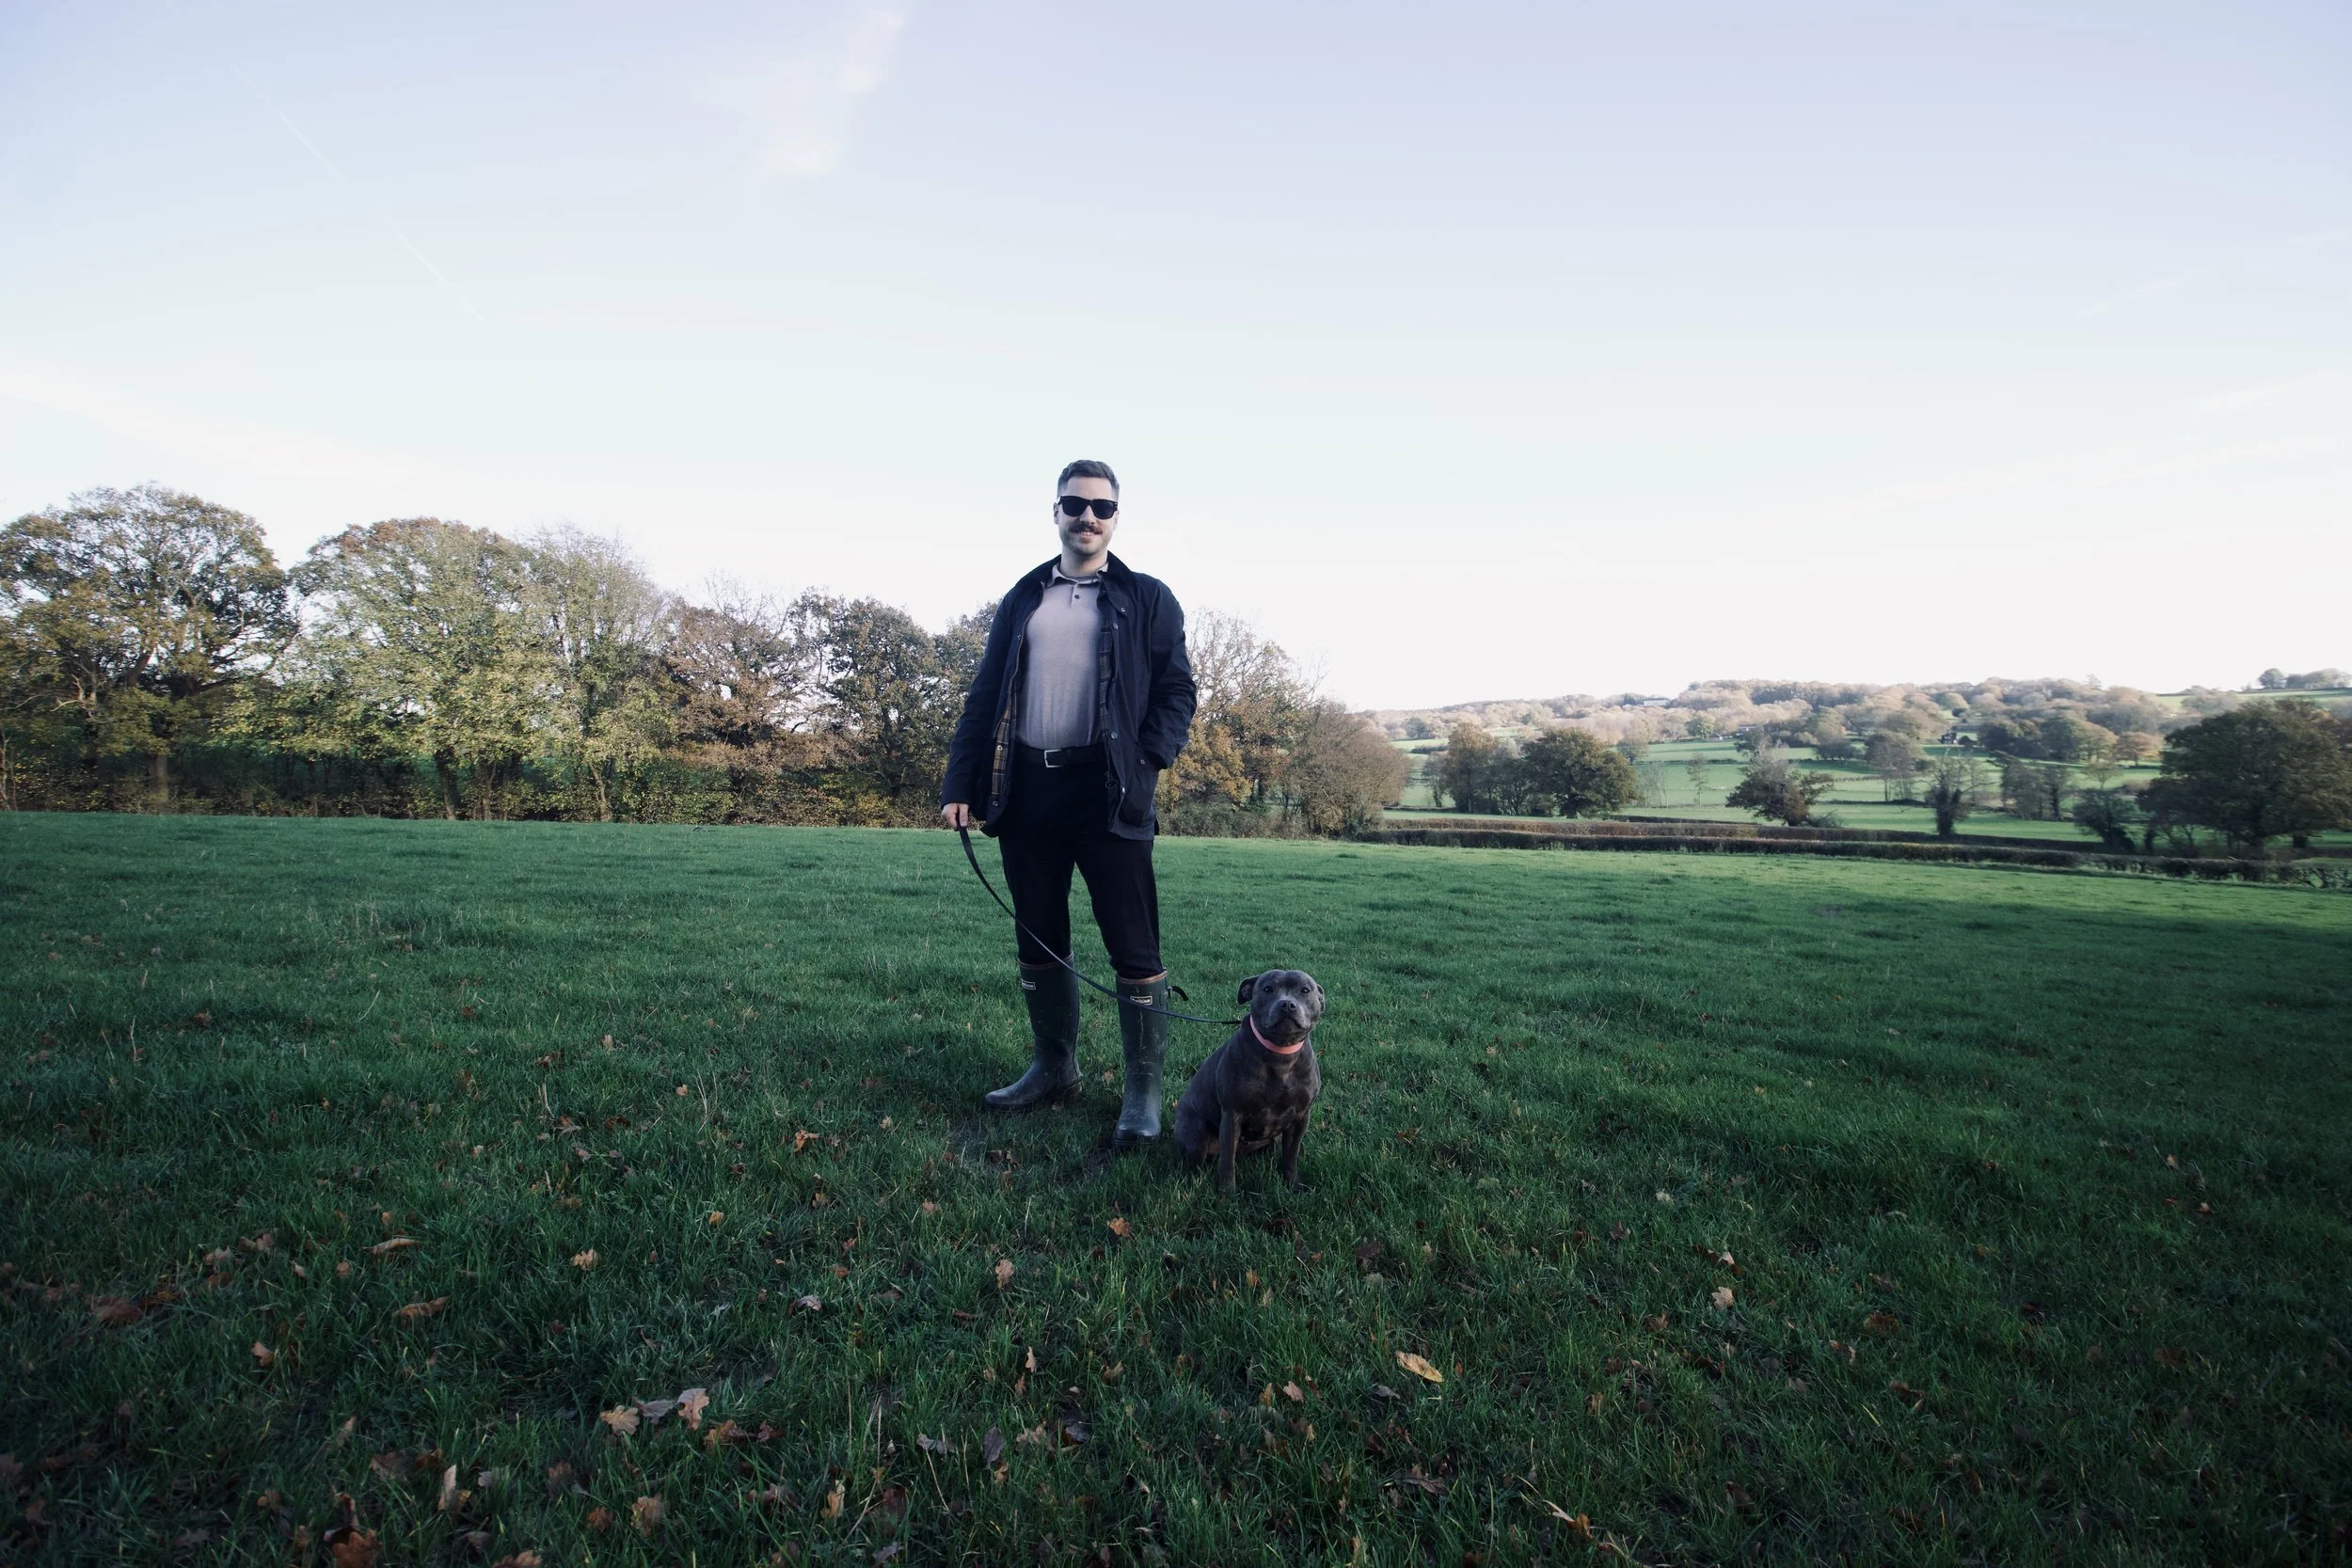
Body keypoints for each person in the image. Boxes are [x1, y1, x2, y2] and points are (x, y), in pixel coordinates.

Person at [940, 460, 1196, 1148]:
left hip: (1110, 792)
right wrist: (960, 783)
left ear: (1116, 518)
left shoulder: (1146, 597)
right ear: (1055, 511)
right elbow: (985, 694)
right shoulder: (1025, 595)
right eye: (1075, 505)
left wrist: (1146, 764)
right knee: (1039, 934)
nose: (1088, 518)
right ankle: (1055, 1066)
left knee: (1133, 943)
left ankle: (1142, 1092)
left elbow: (1178, 693)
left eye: (1101, 508)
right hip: (1026, 789)